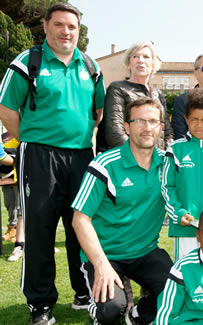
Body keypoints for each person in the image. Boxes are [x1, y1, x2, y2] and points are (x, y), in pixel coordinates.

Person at [0, 3, 105, 323]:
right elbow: (6, 110)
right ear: (45, 27)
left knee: (82, 227)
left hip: (81, 157)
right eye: (59, 25)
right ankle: (41, 304)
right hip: (40, 156)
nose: (66, 32)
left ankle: (84, 293)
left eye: (72, 26)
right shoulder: (26, 62)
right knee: (40, 229)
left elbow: (98, 113)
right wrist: (36, 138)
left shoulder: (90, 66)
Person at [71, 97, 173, 325]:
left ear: (160, 127)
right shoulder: (104, 164)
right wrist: (101, 265)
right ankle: (100, 305)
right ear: (127, 127)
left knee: (179, 293)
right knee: (110, 310)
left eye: (153, 121)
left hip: (145, 251)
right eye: (140, 121)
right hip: (106, 254)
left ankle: (138, 314)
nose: (147, 127)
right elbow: (80, 219)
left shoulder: (168, 164)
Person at [162, 88, 203, 260]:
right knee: (185, 274)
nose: (199, 125)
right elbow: (167, 186)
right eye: (194, 120)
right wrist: (177, 212)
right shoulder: (176, 149)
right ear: (186, 119)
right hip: (185, 226)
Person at [100, 42, 172, 151]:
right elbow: (115, 133)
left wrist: (166, 155)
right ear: (129, 63)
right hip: (129, 161)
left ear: (153, 65)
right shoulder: (118, 88)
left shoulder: (158, 94)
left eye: (146, 57)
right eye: (135, 56)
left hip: (158, 161)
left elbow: (167, 131)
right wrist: (140, 156)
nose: (140, 60)